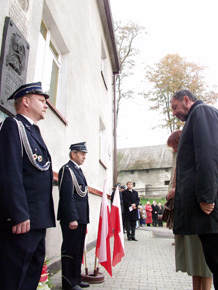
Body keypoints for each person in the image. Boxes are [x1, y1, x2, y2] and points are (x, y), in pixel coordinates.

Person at [0, 82, 55, 290]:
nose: (46, 105)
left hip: (37, 219)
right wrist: (18, 213)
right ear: (25, 101)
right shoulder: (13, 126)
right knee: (13, 278)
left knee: (30, 276)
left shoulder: (33, 131)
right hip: (23, 220)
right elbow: (8, 171)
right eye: (41, 100)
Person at [171, 90, 218, 288]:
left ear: (187, 100)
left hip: (208, 208)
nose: (174, 113)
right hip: (204, 209)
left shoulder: (202, 112)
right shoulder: (196, 117)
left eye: (175, 107)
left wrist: (206, 196)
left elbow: (207, 156)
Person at [167, 129, 212, 290]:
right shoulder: (182, 159)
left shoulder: (197, 158)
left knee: (204, 265)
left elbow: (199, 184)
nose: (173, 150)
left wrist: (176, 191)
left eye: (174, 146)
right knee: (194, 265)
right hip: (187, 218)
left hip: (200, 218)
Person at [57, 142, 90, 290]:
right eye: (82, 153)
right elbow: (66, 196)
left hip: (81, 217)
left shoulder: (78, 170)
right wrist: (72, 218)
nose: (84, 157)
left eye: (84, 154)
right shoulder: (66, 169)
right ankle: (68, 283)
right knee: (70, 250)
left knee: (78, 250)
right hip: (72, 218)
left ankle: (76, 279)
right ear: (73, 154)